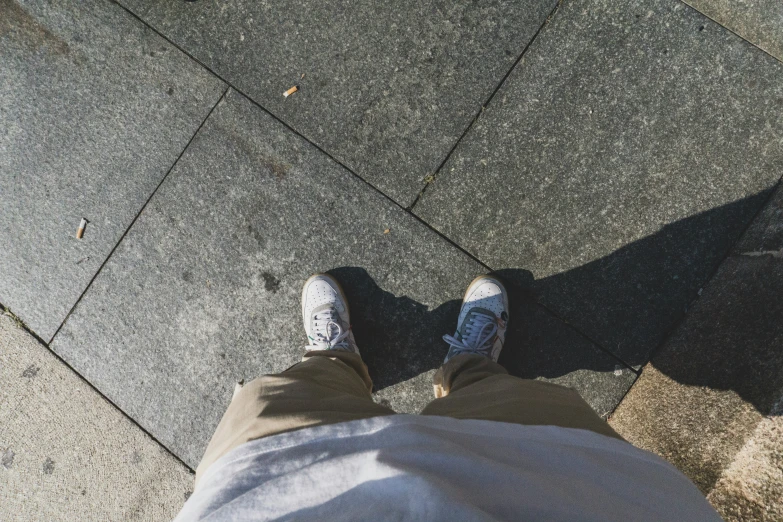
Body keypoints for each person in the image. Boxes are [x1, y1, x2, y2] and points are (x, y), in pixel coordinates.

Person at [175, 273, 720, 521]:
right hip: (539, 484)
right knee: (509, 406)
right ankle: (471, 371)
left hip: (273, 484)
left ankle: (335, 362)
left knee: (284, 398)